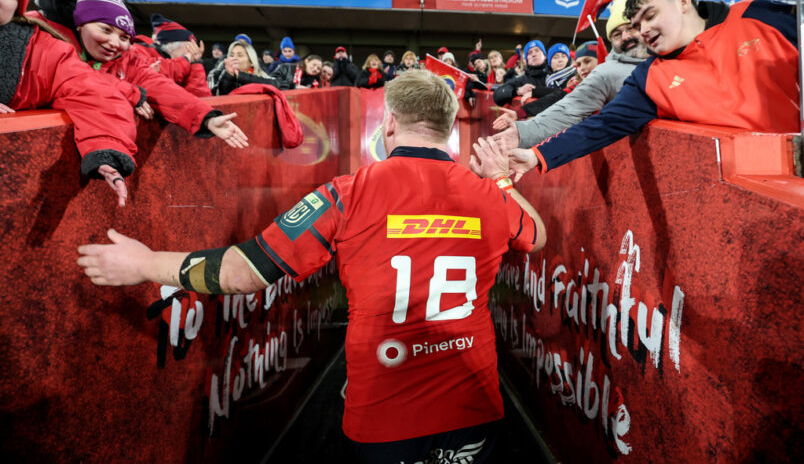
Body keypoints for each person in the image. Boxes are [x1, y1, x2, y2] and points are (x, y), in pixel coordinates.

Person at [77, 69, 546, 464]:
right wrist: (500, 179)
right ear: (448, 130)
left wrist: (144, 263)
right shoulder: (490, 195)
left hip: (384, 414)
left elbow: (243, 273)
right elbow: (536, 236)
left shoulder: (347, 192)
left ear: (389, 123)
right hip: (474, 405)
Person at [503, 0, 799, 179]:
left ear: (684, 2)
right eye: (636, 23)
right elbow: (601, 125)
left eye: (650, 15)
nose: (642, 30)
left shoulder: (756, 15)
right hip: (749, 190)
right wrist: (538, 156)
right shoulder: (649, 79)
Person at [34, 0, 247, 158]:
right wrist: (129, 91)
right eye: (106, 30)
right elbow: (74, 80)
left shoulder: (129, 60)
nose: (114, 43)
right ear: (81, 24)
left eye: (124, 37)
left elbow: (162, 88)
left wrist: (206, 117)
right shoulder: (43, 41)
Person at [1, 0, 137, 207]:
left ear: (18, 4)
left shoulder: (43, 49)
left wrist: (106, 151)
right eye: (105, 30)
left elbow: (94, 94)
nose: (113, 42)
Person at [492, 0, 649, 145]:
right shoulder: (592, 81)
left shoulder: (657, 64)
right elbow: (564, 103)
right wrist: (522, 121)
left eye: (630, 28)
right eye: (579, 64)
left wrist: (534, 93)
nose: (582, 68)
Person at [131, 14, 212, 98]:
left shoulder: (185, 63)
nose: (191, 50)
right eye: (189, 45)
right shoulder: (139, 51)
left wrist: (195, 64)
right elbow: (157, 76)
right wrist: (185, 59)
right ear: (171, 43)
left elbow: (201, 97)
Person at [492, 39, 556, 106]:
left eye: (537, 50)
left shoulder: (556, 75)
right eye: (529, 53)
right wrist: (518, 91)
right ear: (526, 59)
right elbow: (497, 95)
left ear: (545, 55)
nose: (534, 54)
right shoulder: (523, 79)